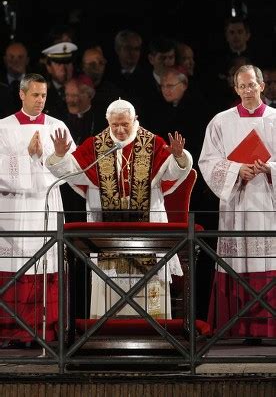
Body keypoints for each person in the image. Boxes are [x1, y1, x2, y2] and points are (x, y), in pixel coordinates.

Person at [46, 98, 193, 319]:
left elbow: (173, 172)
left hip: (148, 227)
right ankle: (106, 326)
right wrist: (59, 156)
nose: (120, 129)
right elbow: (73, 172)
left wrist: (179, 156)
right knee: (109, 280)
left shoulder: (152, 143)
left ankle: (153, 329)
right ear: (108, 122)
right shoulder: (96, 145)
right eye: (115, 125)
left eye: (125, 124)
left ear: (135, 121)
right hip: (107, 230)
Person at [198, 64, 276, 341]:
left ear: (262, 86)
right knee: (237, 262)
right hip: (236, 203)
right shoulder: (221, 121)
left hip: (268, 204)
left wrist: (270, 170)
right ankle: (237, 329)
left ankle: (269, 328)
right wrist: (235, 171)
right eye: (241, 86)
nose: (247, 91)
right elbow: (207, 161)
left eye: (251, 85)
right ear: (236, 89)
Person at [0, 73, 75, 348]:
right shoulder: (3, 127)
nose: (40, 100)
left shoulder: (58, 127)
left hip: (46, 203)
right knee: (15, 265)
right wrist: (26, 157)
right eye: (35, 95)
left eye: (43, 95)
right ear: (22, 94)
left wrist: (55, 156)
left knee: (46, 263)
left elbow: (71, 171)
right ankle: (11, 329)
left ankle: (47, 329)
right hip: (15, 207)